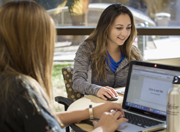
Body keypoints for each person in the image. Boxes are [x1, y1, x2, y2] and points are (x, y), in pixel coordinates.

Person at [0, 1, 127, 132]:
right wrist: (103, 129)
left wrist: (91, 112)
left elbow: (42, 120)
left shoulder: (8, 83)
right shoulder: (21, 90)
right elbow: (77, 81)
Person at [72, 3, 143, 100]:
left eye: (128, 27)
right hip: (97, 108)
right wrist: (97, 90)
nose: (125, 33)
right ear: (106, 27)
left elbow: (141, 84)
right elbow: (77, 82)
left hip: (124, 109)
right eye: (119, 28)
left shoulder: (134, 53)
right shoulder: (87, 48)